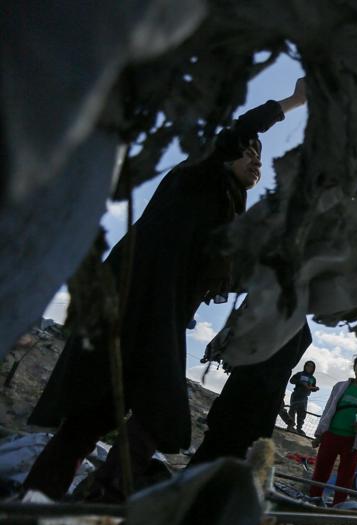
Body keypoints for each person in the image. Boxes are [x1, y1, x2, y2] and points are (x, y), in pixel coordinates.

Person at [24, 80, 308, 501]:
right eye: (248, 153)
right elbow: (237, 130)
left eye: (258, 159)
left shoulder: (226, 217)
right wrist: (296, 100)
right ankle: (63, 502)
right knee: (129, 412)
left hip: (159, 315)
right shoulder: (197, 177)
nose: (254, 161)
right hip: (132, 299)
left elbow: (229, 276)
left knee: (109, 414)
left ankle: (61, 502)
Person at [190, 324, 312, 465]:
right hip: (254, 394)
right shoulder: (293, 324)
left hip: (250, 392)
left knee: (219, 447)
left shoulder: (290, 323)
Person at [309, 352, 357, 505]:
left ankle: (339, 504)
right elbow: (328, 410)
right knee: (321, 470)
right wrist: (320, 434)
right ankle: (313, 499)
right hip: (331, 435)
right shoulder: (340, 386)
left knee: (346, 476)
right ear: (354, 368)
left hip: (352, 442)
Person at [287, 360, 321, 434]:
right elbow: (291, 380)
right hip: (296, 394)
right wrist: (301, 382)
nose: (309, 367)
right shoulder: (300, 374)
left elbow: (313, 387)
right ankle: (290, 426)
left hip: (305, 397)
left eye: (311, 366)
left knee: (302, 413)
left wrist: (315, 388)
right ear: (305, 366)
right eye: (308, 365)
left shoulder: (313, 378)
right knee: (292, 410)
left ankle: (299, 428)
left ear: (313, 368)